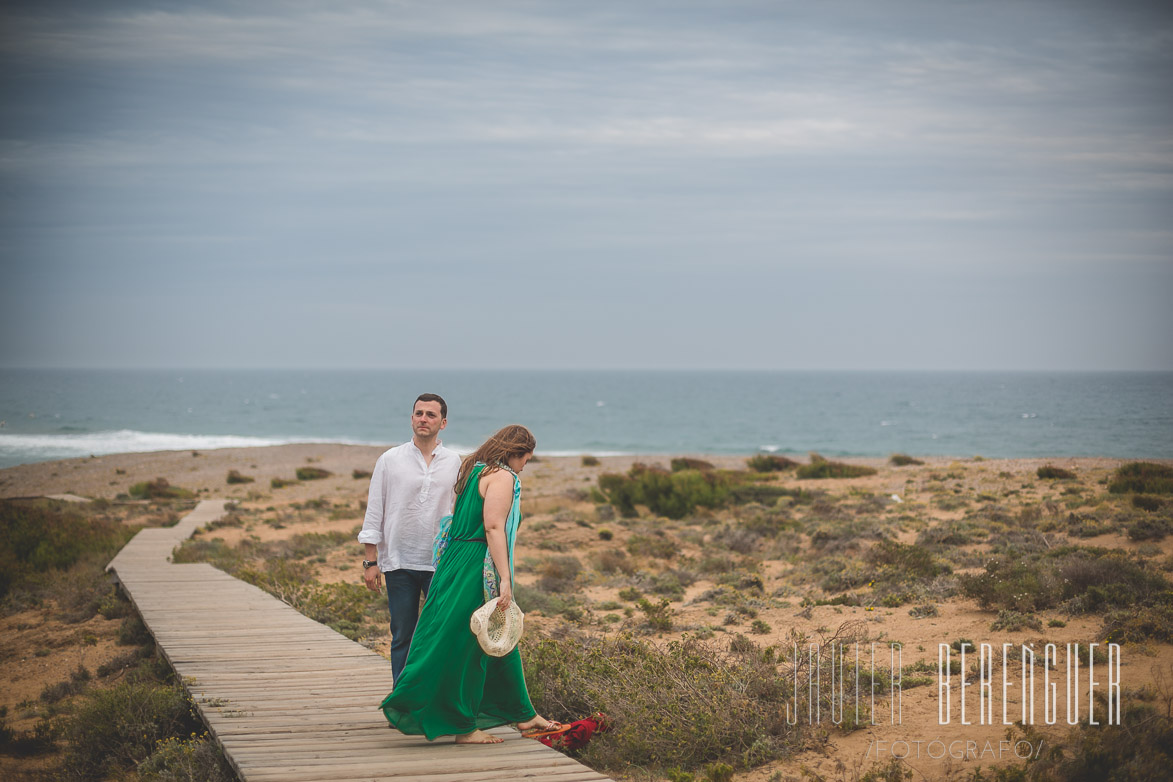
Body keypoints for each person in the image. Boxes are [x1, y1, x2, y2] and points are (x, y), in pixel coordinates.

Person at [380, 424, 562, 744]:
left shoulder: (473, 469)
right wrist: (505, 578)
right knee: (468, 642)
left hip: (455, 557)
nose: (523, 467)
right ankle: (462, 726)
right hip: (477, 562)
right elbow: (492, 527)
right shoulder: (503, 476)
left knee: (497, 633)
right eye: (525, 460)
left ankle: (523, 713)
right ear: (513, 452)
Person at [358, 393, 461, 684]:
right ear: (412, 418)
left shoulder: (455, 462)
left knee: (439, 634)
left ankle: (431, 699)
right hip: (398, 563)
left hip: (439, 564)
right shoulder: (390, 460)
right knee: (402, 634)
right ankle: (401, 702)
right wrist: (370, 561)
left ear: (443, 422)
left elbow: (459, 513)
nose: (423, 419)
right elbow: (374, 510)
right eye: (419, 413)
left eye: (430, 415)